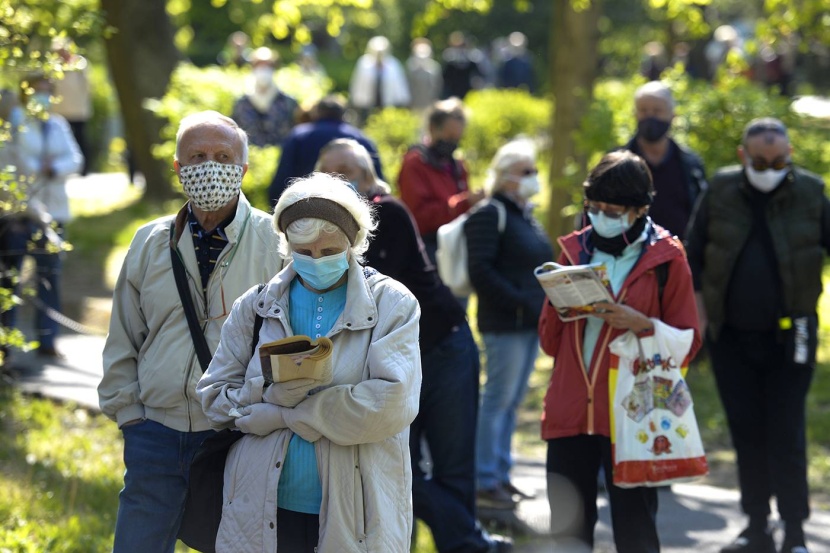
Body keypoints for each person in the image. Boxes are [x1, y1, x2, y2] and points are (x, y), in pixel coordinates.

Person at [196, 172, 422, 552]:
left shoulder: (393, 304)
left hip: (355, 513)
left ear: (354, 243)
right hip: (260, 508)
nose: (317, 261)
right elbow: (214, 396)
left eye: (330, 252)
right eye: (304, 252)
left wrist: (286, 416)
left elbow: (392, 403)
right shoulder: (255, 305)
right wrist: (266, 392)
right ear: (287, 246)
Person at [97, 110, 282, 553]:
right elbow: (125, 333)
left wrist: (261, 417)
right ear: (179, 168)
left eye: (223, 155)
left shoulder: (276, 243)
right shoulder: (148, 241)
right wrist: (130, 415)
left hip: (235, 436)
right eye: (197, 156)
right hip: (155, 432)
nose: (210, 165)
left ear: (243, 168)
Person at [316, 139, 513, 552]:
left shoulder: (387, 212)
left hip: (444, 348)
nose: (339, 178)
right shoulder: (317, 237)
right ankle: (470, 542)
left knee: (453, 467)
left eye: (348, 170)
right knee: (398, 465)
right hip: (391, 363)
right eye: (329, 171)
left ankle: (464, 545)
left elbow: (371, 291)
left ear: (368, 177)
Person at [538, 151, 701, 552]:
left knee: (636, 530)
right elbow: (548, 342)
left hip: (632, 415)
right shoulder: (574, 249)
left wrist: (640, 322)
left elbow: (688, 340)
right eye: (594, 207)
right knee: (568, 532)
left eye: (613, 210)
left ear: (640, 210)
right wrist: (561, 298)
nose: (601, 216)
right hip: (571, 410)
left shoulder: (667, 256)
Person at [685, 118, 826, 553]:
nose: (770, 168)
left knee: (786, 434)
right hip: (732, 338)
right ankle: (756, 527)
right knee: (746, 434)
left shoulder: (811, 192)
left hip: (793, 337)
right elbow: (692, 257)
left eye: (779, 161)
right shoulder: (722, 189)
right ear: (744, 156)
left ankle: (797, 533)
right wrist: (700, 319)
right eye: (761, 161)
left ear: (790, 158)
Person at [464, 139, 552, 510]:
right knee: (498, 399)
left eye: (534, 170)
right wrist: (521, 302)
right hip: (504, 323)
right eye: (525, 172)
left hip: (529, 322)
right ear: (505, 176)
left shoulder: (525, 214)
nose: (533, 177)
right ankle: (484, 479)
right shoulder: (489, 213)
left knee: (512, 401)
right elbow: (480, 270)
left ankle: (501, 474)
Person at [0, 73, 83, 359]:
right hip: (20, 214)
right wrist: (38, 169)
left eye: (47, 92)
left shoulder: (58, 124)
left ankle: (47, 341)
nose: (42, 97)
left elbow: (76, 159)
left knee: (49, 277)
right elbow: (14, 164)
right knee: (10, 279)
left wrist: (54, 169)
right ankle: (5, 347)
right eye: (37, 91)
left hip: (54, 212)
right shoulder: (14, 122)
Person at [398, 97, 485, 266]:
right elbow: (419, 216)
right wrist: (465, 202)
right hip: (427, 249)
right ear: (432, 129)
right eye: (449, 136)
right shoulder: (415, 163)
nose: (452, 143)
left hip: (455, 244)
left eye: (457, 139)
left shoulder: (457, 165)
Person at [617, 81, 707, 240]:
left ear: (672, 115)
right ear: (635, 114)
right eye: (643, 111)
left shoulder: (690, 165)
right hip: (627, 257)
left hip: (678, 257)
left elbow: (702, 217)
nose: (650, 116)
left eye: (657, 111)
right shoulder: (616, 163)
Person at [267, 94, 384, 204]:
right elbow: (376, 183)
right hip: (355, 212)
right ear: (343, 114)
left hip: (306, 209)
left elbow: (282, 179)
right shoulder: (361, 139)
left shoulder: (298, 136)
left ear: (316, 113)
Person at [231, 47, 299, 147]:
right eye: (259, 65)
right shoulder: (241, 102)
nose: (263, 69)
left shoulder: (288, 102)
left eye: (268, 65)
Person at [51, 37, 93, 176]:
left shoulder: (80, 63)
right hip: (60, 111)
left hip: (78, 109)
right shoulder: (53, 66)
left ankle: (84, 169)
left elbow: (87, 86)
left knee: (81, 139)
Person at [348, 35, 410, 125]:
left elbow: (399, 84)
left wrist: (403, 100)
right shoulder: (364, 63)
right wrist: (355, 99)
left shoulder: (393, 64)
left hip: (387, 102)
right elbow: (357, 83)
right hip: (367, 103)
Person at [441, 31, 485, 99]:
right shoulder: (450, 63)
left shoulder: (472, 62)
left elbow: (480, 75)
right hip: (452, 93)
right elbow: (445, 78)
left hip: (468, 93)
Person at [406, 37, 443, 111]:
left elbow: (438, 85)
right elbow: (408, 86)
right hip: (415, 104)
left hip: (430, 103)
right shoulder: (411, 67)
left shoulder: (434, 67)